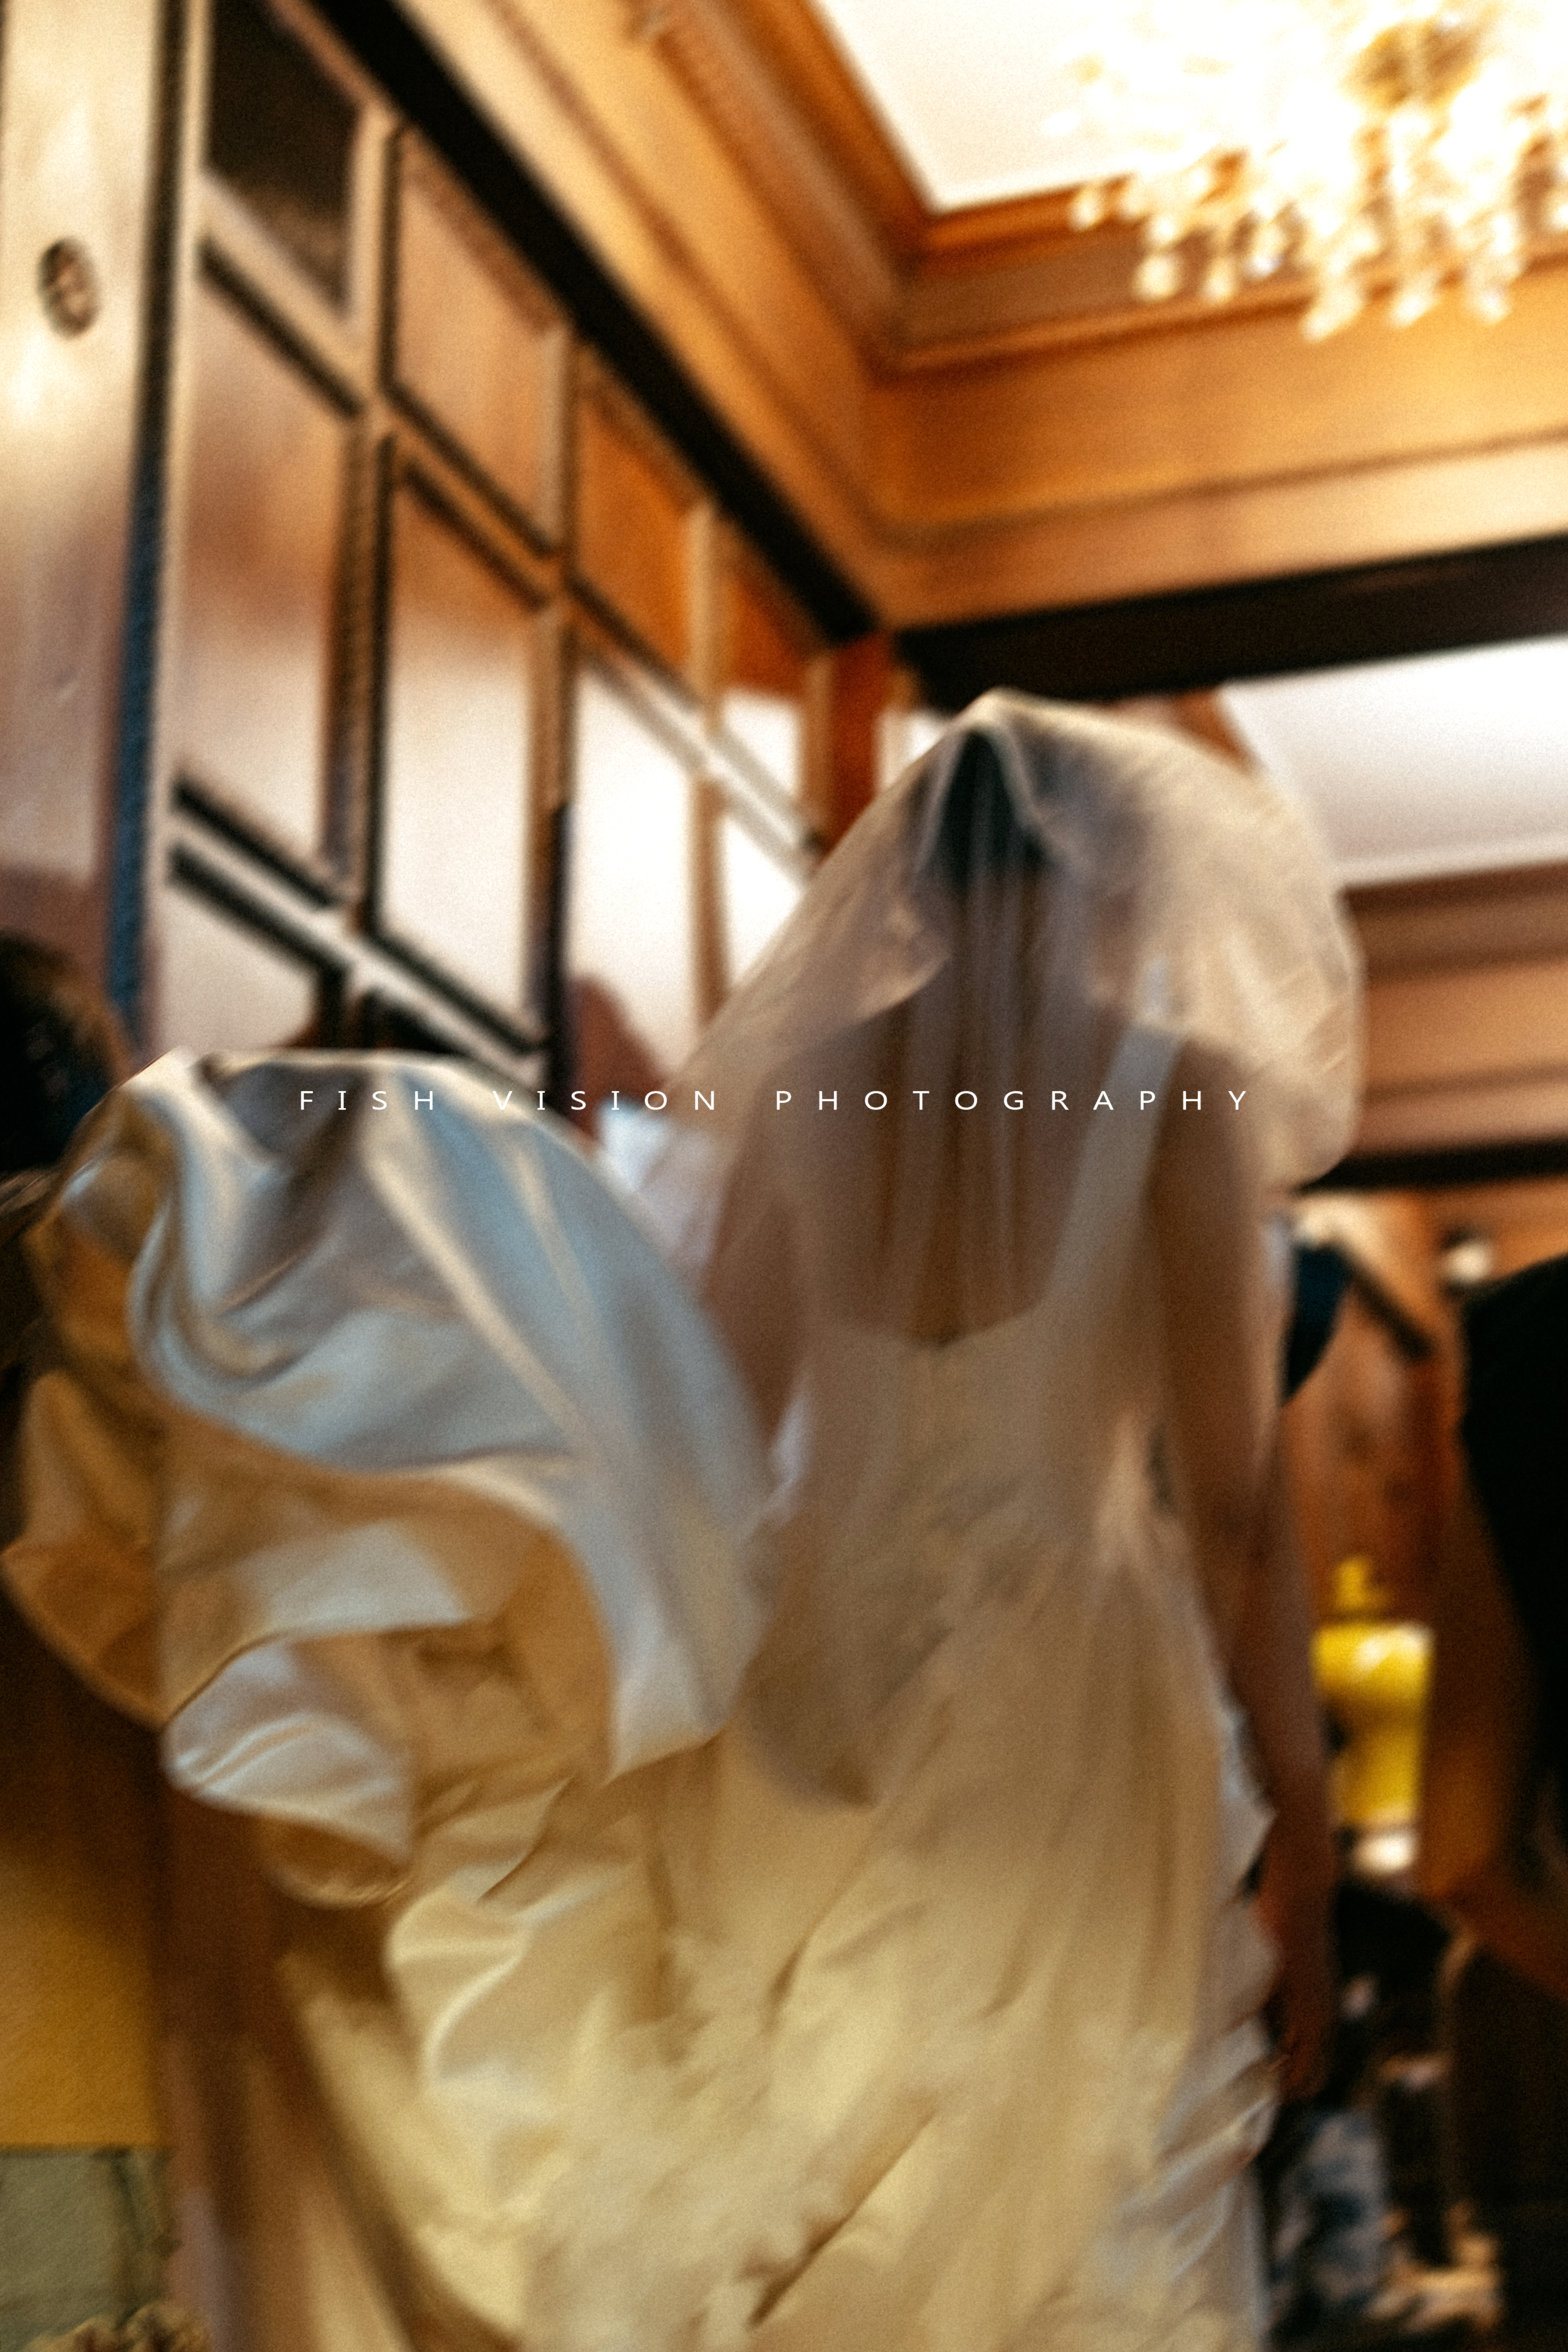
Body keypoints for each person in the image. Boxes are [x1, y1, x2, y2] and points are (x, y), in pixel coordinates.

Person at [3, 692, 1359, 2352]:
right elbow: (1233, 1515)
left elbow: (704, 1429)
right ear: (1126, 879)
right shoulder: (1177, 1094)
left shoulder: (820, 1086)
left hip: (819, 1656)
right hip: (1073, 1677)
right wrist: (1300, 1825)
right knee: (1064, 2167)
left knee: (814, 2126)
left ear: (915, 882)